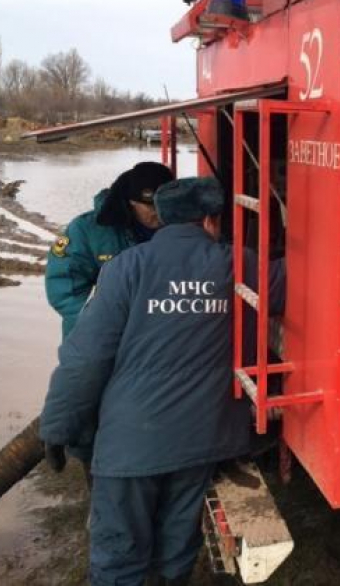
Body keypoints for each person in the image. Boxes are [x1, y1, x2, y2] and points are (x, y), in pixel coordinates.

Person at [39, 177, 284, 586]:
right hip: (201, 440)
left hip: (131, 446)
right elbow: (303, 278)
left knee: (120, 556)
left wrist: (58, 427)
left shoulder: (125, 268)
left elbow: (84, 359)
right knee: (176, 546)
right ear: (210, 220)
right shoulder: (241, 265)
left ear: (162, 221)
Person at [45, 161, 174, 338]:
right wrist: (105, 324)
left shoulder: (185, 228)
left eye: (165, 205)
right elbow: (64, 287)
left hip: (160, 337)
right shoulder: (85, 230)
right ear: (131, 202)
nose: (158, 212)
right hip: (102, 336)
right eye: (151, 206)